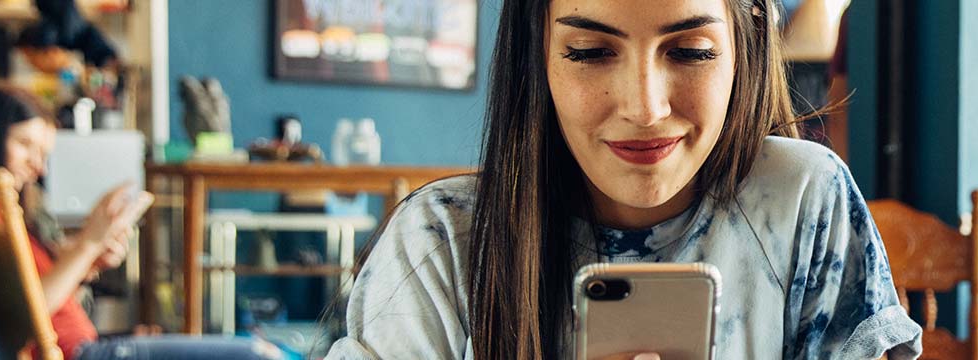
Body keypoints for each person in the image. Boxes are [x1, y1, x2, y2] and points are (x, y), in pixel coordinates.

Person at [326, 0, 922, 359]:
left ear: (745, 44)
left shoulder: (801, 200)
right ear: (537, 56)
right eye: (589, 51)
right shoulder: (441, 243)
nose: (644, 106)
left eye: (690, 51)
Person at [0, 74, 285, 360]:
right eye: (25, 144)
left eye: (43, 154)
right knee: (257, 354)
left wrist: (90, 262)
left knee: (259, 350)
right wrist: (90, 242)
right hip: (84, 353)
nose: (39, 167)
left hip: (89, 345)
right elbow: (27, 318)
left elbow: (44, 303)